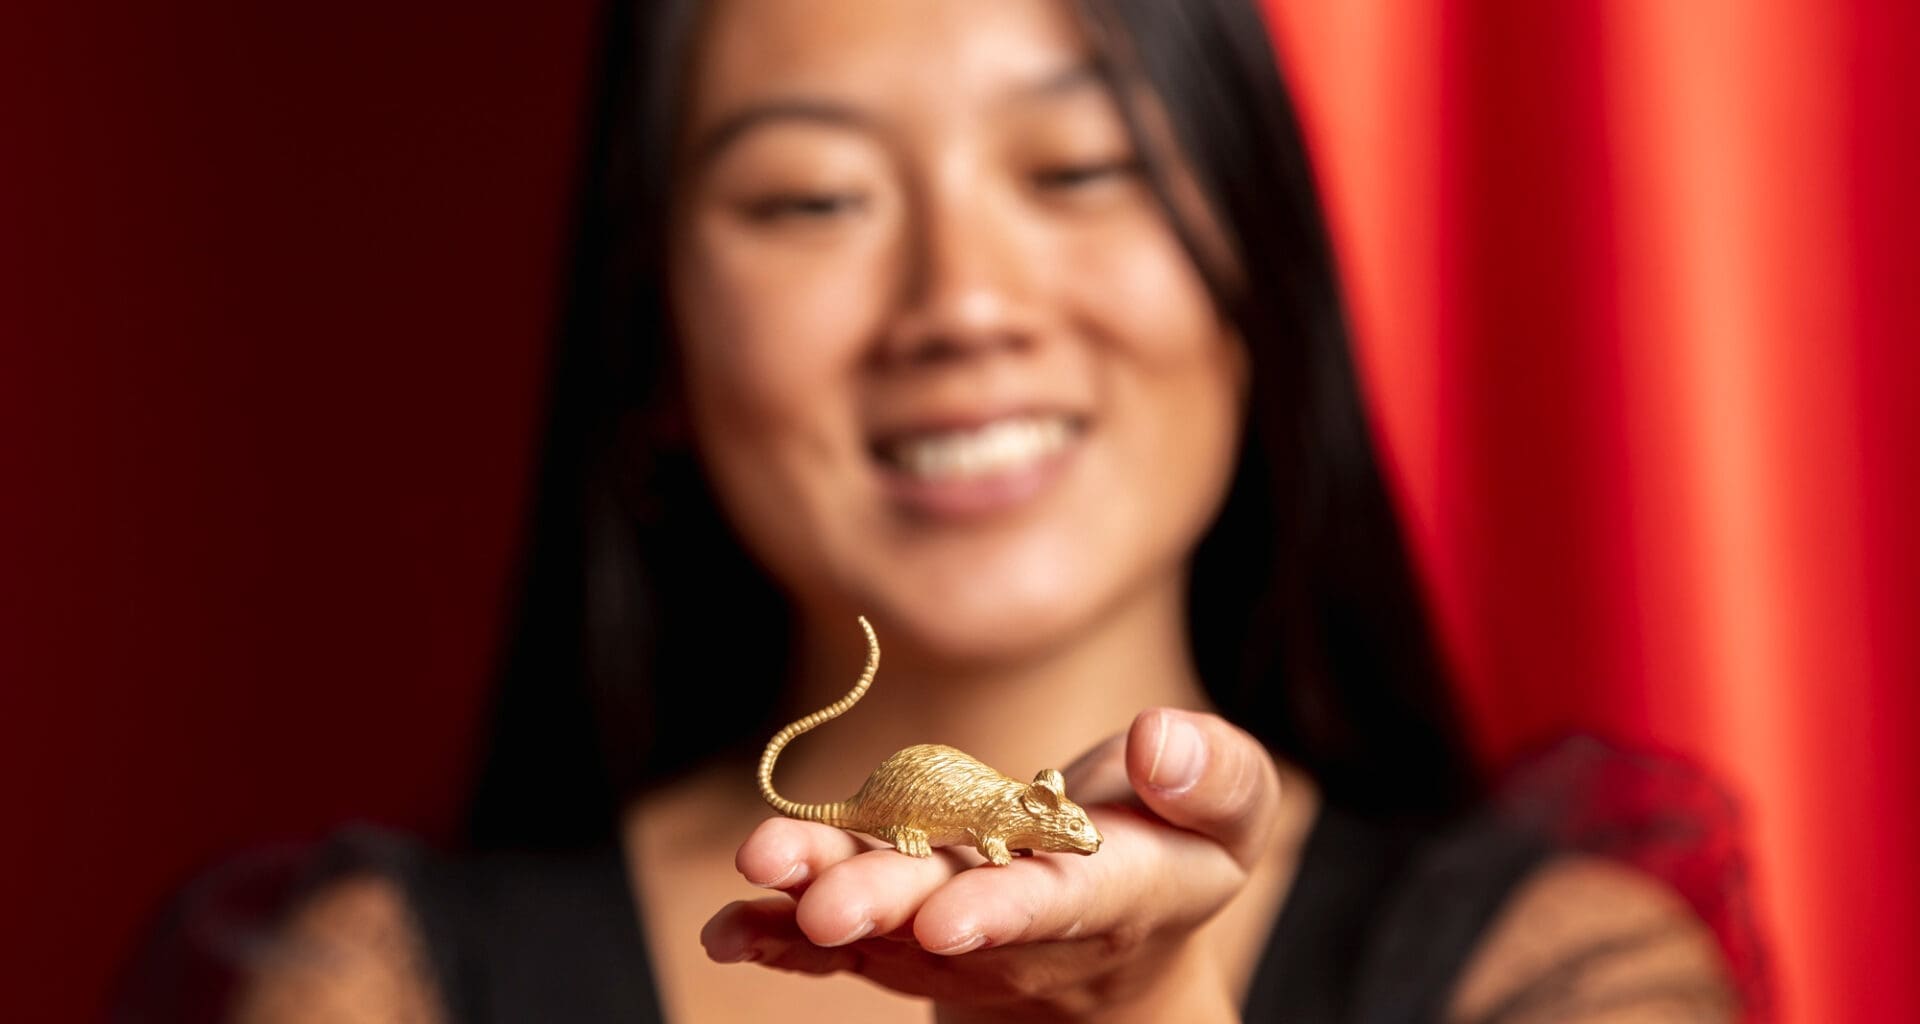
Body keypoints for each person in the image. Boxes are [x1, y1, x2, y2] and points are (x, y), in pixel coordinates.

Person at [147, 0, 1754, 1020]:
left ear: (1259, 272)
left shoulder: (1559, 972)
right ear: (654, 334)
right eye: (812, 199)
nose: (963, 304)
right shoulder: (389, 982)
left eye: (1079, 168)